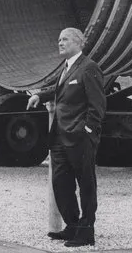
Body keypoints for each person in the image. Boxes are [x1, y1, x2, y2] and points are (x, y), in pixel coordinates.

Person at [27, 27, 106, 247]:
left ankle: (86, 230)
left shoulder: (89, 68)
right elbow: (60, 90)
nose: (60, 43)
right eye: (59, 39)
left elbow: (97, 106)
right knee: (60, 183)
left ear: (79, 43)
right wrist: (39, 95)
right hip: (60, 138)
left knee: (86, 184)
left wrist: (87, 132)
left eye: (65, 39)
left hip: (79, 138)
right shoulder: (67, 68)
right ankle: (72, 226)